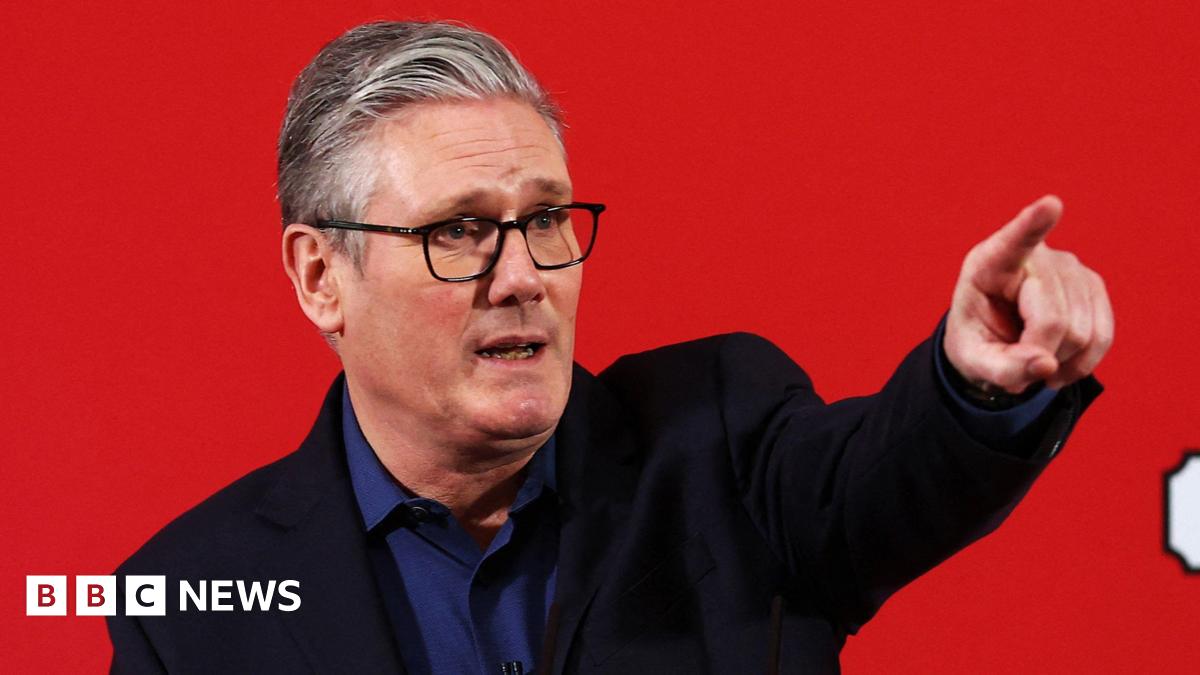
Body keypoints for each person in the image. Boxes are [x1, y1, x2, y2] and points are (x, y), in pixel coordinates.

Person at [107, 20, 1112, 674]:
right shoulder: (188, 604)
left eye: (547, 218)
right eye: (461, 229)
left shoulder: (723, 441)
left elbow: (886, 477)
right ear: (321, 276)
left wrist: (974, 382)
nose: (523, 275)